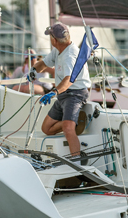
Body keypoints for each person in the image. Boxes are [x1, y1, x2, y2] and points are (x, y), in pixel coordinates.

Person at [33, 23, 91, 158]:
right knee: (46, 129)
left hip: (75, 94)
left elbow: (69, 80)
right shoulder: (58, 49)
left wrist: (54, 92)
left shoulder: (70, 55)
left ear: (54, 40)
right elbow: (44, 63)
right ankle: (75, 121)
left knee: (68, 129)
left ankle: (76, 162)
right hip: (63, 94)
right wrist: (33, 70)